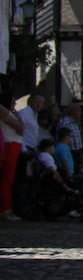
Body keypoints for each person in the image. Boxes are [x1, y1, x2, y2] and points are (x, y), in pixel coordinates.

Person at [0, 92, 27, 221]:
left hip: (14, 146)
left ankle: (7, 208)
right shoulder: (5, 112)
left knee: (9, 180)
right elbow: (21, 128)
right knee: (7, 180)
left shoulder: (10, 113)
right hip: (9, 145)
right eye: (13, 101)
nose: (15, 104)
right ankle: (5, 209)